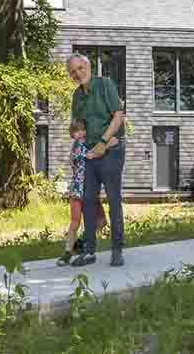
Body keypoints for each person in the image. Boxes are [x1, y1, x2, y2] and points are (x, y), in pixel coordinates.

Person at [66, 53, 126, 267]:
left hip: (111, 150)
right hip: (90, 154)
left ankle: (117, 249)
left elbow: (118, 116)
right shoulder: (77, 96)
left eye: (81, 68)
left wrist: (103, 142)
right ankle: (89, 251)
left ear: (89, 67)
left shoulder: (105, 85)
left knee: (113, 199)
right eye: (73, 71)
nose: (77, 73)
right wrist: (77, 151)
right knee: (88, 201)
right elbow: (77, 127)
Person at [56, 119, 118, 266]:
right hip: (78, 190)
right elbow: (91, 154)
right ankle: (67, 252)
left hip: (91, 189)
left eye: (83, 130)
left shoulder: (89, 142)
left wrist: (105, 145)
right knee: (75, 222)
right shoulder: (78, 146)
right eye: (77, 131)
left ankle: (80, 246)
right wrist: (108, 144)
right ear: (72, 134)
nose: (80, 133)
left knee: (101, 222)